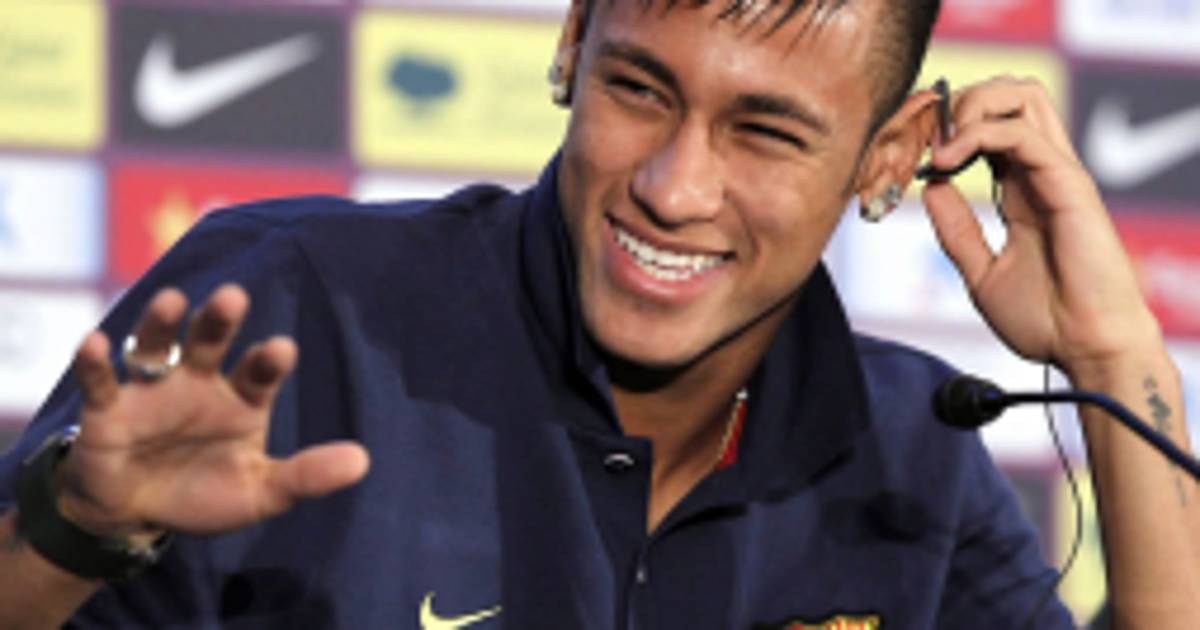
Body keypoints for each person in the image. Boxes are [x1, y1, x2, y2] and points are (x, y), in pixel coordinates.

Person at [1, 0, 1197, 627]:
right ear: (576, 40)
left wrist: (1114, 350)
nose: (675, 186)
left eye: (765, 132)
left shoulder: (913, 453)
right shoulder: (287, 311)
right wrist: (76, 536)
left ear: (889, 154)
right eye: (640, 89)